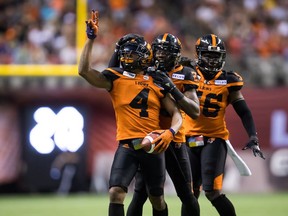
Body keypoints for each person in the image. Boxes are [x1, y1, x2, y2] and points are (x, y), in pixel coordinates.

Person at [79, 10, 183, 216]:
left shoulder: (157, 79)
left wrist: (170, 132)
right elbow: (84, 71)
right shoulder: (115, 77)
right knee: (116, 193)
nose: (126, 57)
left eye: (132, 54)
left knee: (157, 199)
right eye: (124, 54)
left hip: (153, 145)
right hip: (127, 145)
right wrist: (90, 40)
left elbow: (177, 113)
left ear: (144, 58)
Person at [181, 34, 265, 216]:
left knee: (212, 191)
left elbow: (244, 111)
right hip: (188, 139)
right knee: (189, 193)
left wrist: (253, 135)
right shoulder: (188, 74)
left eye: (216, 56)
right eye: (208, 56)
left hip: (214, 139)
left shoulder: (229, 80)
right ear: (199, 55)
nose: (212, 61)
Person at [121, 33, 201, 216]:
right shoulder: (146, 70)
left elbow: (195, 111)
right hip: (151, 138)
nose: (160, 56)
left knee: (187, 194)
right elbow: (115, 72)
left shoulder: (186, 74)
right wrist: (120, 45)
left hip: (174, 138)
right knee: (141, 194)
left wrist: (171, 86)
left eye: (165, 53)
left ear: (175, 55)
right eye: (157, 52)